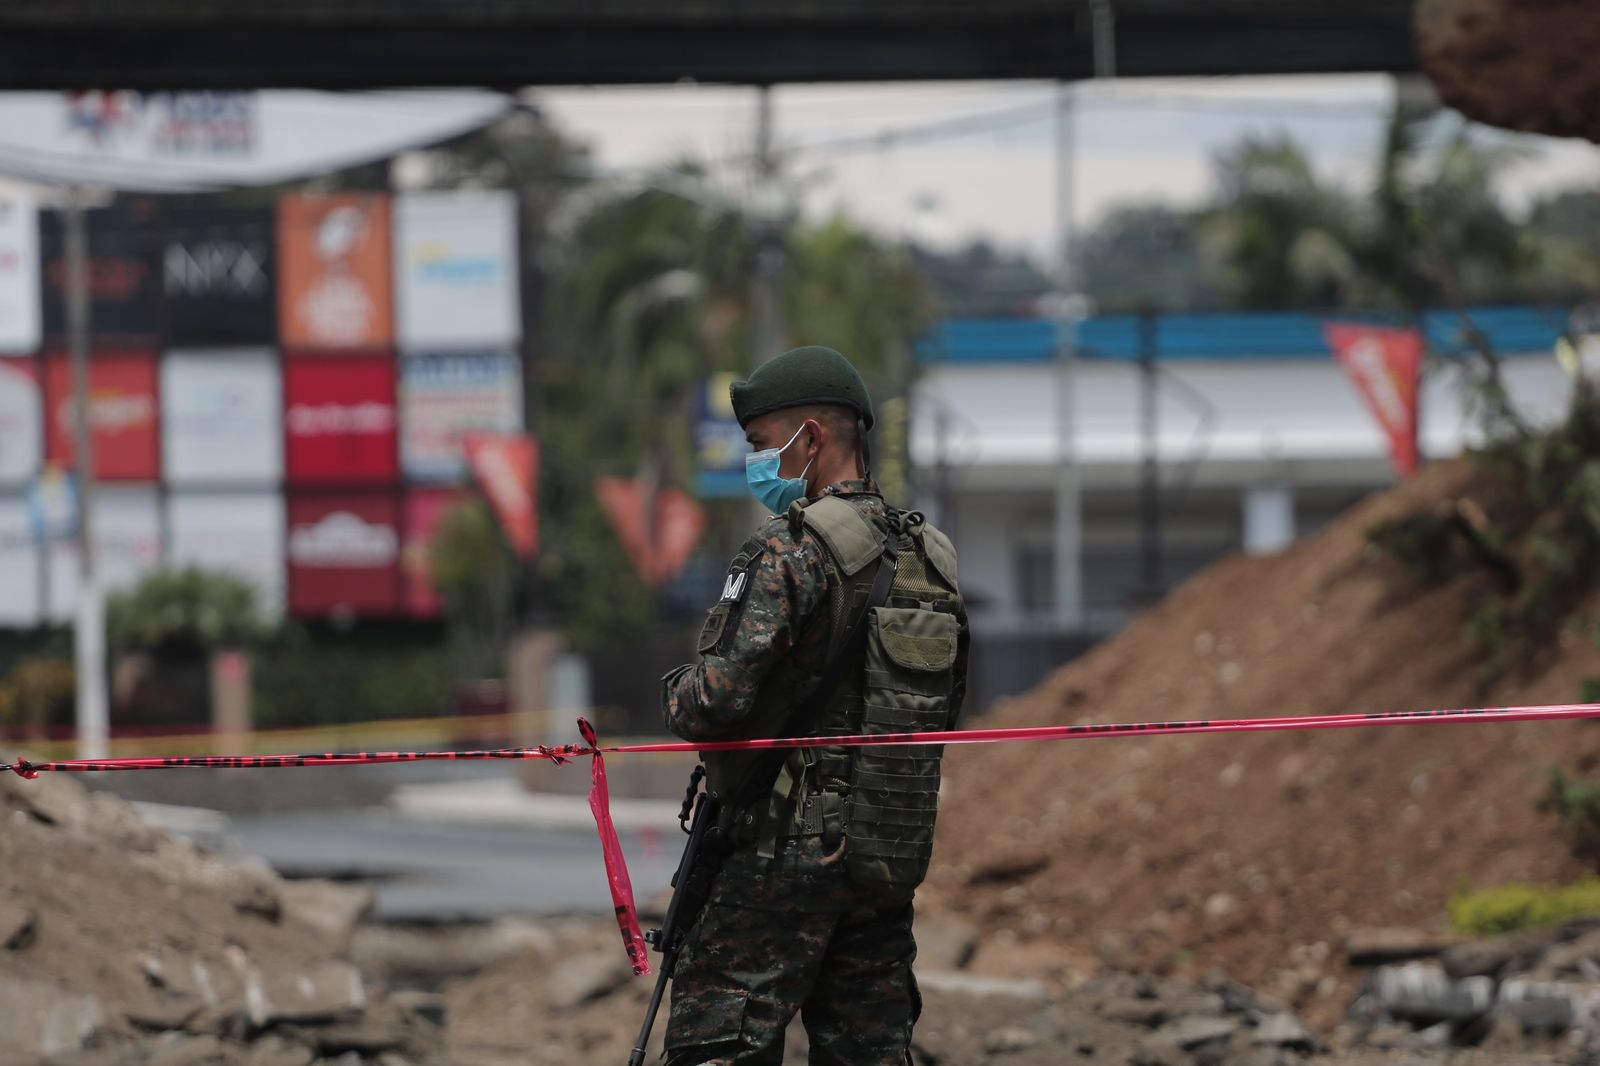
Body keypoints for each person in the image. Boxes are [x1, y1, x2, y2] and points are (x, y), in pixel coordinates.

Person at [659, 345, 970, 1066]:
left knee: (719, 1045)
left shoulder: (788, 552)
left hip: (781, 855)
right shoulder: (932, 559)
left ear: (812, 438)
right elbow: (943, 706)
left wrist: (677, 686)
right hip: (881, 853)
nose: (759, 463)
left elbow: (714, 702)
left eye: (764, 446)